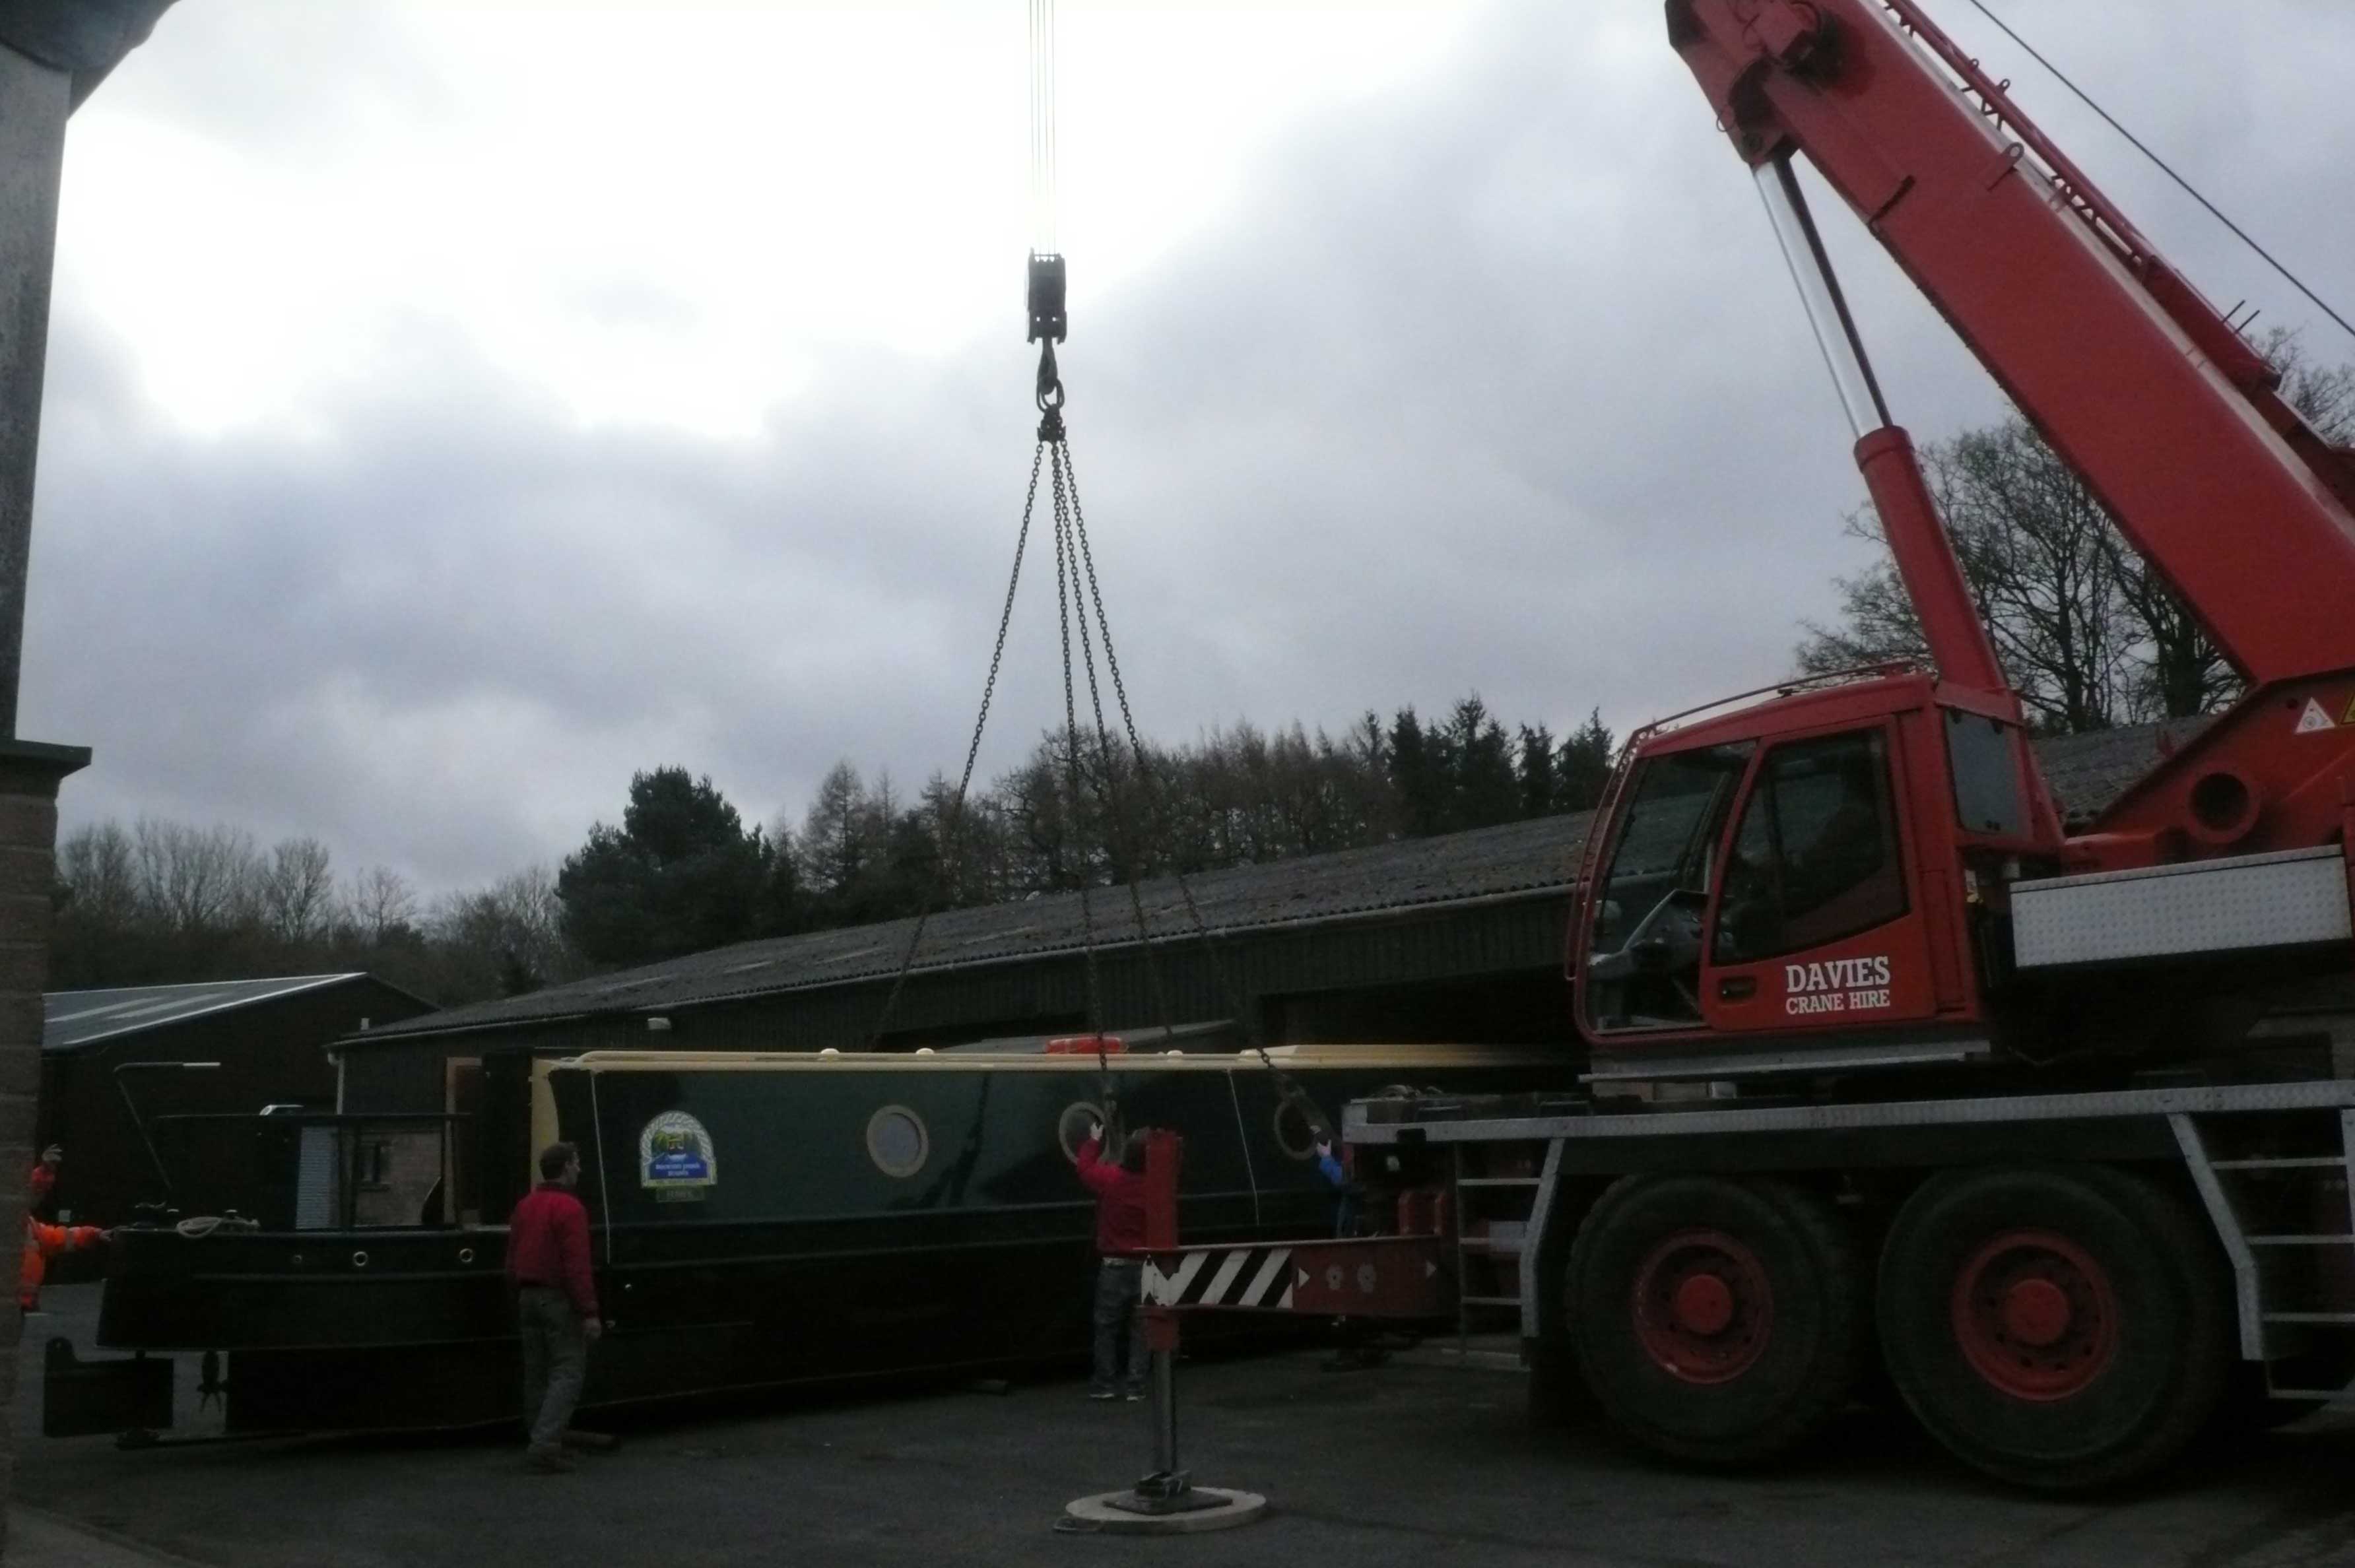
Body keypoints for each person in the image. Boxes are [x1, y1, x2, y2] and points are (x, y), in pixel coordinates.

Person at [504, 1141, 602, 1472]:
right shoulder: (570, 1209)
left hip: (527, 1297)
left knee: (537, 1374)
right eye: (576, 1163)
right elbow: (577, 1266)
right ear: (564, 1167)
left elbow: (511, 1259)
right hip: (558, 1300)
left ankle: (541, 1436)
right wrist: (589, 1312)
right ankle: (546, 1446)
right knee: (567, 1372)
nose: (579, 1169)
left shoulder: (525, 1206)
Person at [1073, 1122, 1151, 1402]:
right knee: (1141, 1330)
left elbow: (1084, 1169)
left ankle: (1105, 1382)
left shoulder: (1111, 1180)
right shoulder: (1155, 1188)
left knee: (1106, 1327)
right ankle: (1136, 1386)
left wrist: (1094, 1140)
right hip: (1146, 1265)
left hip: (1114, 1265)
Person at [20, 1162, 103, 1314]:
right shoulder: (15, 1221)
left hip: (20, 1304)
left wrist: (93, 1234)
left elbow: (58, 1238)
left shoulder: (29, 1225)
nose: (40, 1197)